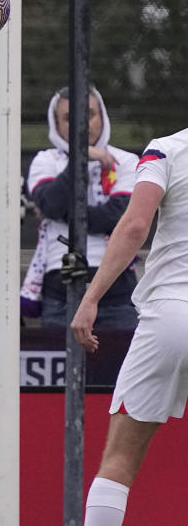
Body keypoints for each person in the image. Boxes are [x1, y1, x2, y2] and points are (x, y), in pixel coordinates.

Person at [70, 129, 188, 526]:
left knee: (119, 460)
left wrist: (91, 298)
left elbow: (136, 225)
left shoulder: (166, 149)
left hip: (172, 315)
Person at [22, 86, 139, 330]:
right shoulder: (44, 161)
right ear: (56, 124)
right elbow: (51, 203)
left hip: (117, 294)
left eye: (89, 114)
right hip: (60, 295)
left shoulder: (127, 161)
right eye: (68, 117)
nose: (81, 123)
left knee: (119, 368)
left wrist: (61, 215)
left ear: (102, 117)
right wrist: (81, 159)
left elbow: (118, 219)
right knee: (62, 369)